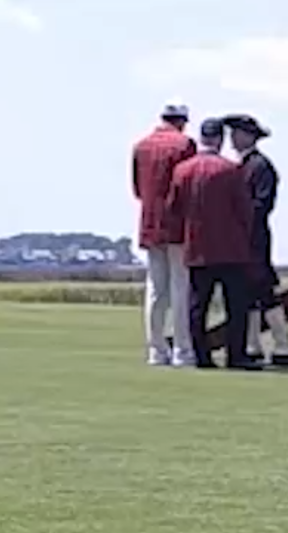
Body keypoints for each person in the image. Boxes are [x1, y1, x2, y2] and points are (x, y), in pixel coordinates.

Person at [167, 118, 262, 370]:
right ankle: (236, 355)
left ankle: (201, 355)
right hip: (231, 248)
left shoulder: (182, 170)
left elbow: (173, 208)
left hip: (197, 247)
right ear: (219, 139)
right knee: (236, 306)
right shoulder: (231, 170)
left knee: (198, 305)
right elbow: (245, 210)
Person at [223, 114, 288, 367]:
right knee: (248, 295)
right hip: (239, 239)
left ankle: (283, 346)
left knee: (265, 293)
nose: (232, 137)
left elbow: (261, 205)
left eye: (237, 133)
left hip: (253, 239)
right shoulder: (239, 166)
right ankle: (253, 345)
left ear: (250, 136)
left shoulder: (261, 166)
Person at [131, 100, 197, 367]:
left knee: (156, 289)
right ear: (182, 120)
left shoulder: (141, 146)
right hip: (178, 223)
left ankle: (156, 350)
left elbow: (137, 189)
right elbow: (188, 184)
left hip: (150, 222)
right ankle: (182, 349)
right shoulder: (185, 145)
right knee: (180, 287)